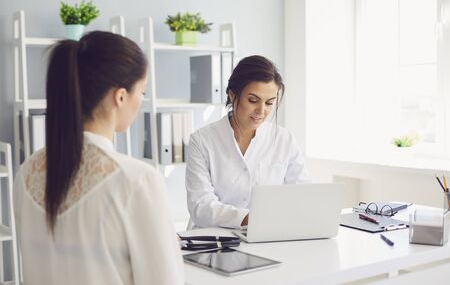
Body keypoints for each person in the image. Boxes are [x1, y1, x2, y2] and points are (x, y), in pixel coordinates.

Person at [13, 31, 184, 285]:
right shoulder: (136, 181)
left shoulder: (26, 174)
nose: (141, 102)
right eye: (142, 92)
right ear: (121, 96)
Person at [185, 55, 310, 229]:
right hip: (215, 241)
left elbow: (302, 194)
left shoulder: (284, 139)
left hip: (268, 236)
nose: (261, 110)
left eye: (269, 103)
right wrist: (249, 219)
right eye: (253, 100)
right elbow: (201, 206)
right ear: (232, 95)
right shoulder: (202, 140)